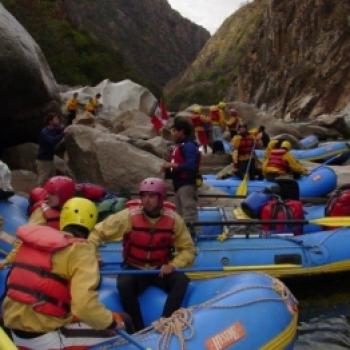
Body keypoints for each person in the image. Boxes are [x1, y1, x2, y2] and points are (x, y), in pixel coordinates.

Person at [2, 197, 132, 349]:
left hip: (15, 331)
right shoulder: (81, 251)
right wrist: (110, 322)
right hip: (44, 338)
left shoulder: (32, 241)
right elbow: (83, 306)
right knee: (124, 321)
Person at [88, 177, 195, 332]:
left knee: (181, 280)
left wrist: (173, 265)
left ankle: (165, 322)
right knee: (124, 284)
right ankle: (137, 329)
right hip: (134, 268)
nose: (146, 200)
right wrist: (95, 257)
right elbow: (97, 234)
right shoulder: (128, 216)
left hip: (159, 270)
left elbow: (188, 249)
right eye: (144, 195)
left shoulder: (174, 220)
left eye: (152, 196)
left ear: (161, 198)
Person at [162, 117, 200, 227]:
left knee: (188, 213)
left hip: (187, 184)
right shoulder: (179, 146)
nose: (172, 134)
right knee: (179, 214)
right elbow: (178, 163)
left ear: (181, 131)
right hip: (178, 184)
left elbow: (191, 165)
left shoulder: (189, 146)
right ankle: (182, 237)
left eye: (174, 131)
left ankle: (192, 236)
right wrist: (168, 167)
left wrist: (172, 165)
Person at [36, 113, 65, 186]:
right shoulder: (44, 132)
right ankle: (38, 194)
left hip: (50, 158)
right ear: (50, 121)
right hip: (43, 159)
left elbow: (62, 130)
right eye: (56, 119)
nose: (58, 120)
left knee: (52, 178)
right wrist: (63, 134)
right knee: (43, 178)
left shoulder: (54, 130)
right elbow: (52, 141)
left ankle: (49, 194)